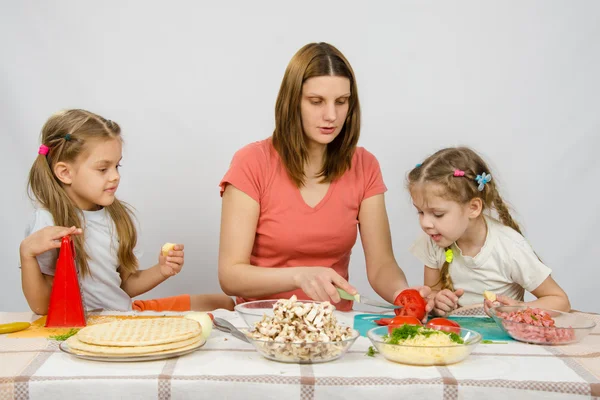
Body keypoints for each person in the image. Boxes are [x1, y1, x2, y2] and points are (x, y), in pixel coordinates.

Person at [218, 42, 430, 312]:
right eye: (316, 101)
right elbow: (230, 276)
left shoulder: (365, 165)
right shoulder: (251, 163)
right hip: (263, 324)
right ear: (292, 101)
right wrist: (299, 275)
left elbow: (381, 266)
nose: (331, 116)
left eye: (341, 102)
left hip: (333, 327)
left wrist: (404, 294)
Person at [20, 109, 234, 315]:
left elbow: (123, 285)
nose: (115, 176)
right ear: (65, 172)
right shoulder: (48, 223)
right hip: (90, 322)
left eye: (117, 166)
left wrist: (161, 270)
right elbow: (41, 307)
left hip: (123, 313)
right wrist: (27, 254)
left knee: (222, 303)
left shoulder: (117, 217)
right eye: (103, 169)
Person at [407, 147, 570, 316]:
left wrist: (518, 309)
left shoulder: (509, 247)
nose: (425, 223)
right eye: (420, 212)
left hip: (503, 340)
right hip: (457, 338)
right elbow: (432, 294)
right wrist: (436, 301)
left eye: (438, 214)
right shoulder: (433, 240)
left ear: (473, 208)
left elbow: (560, 301)